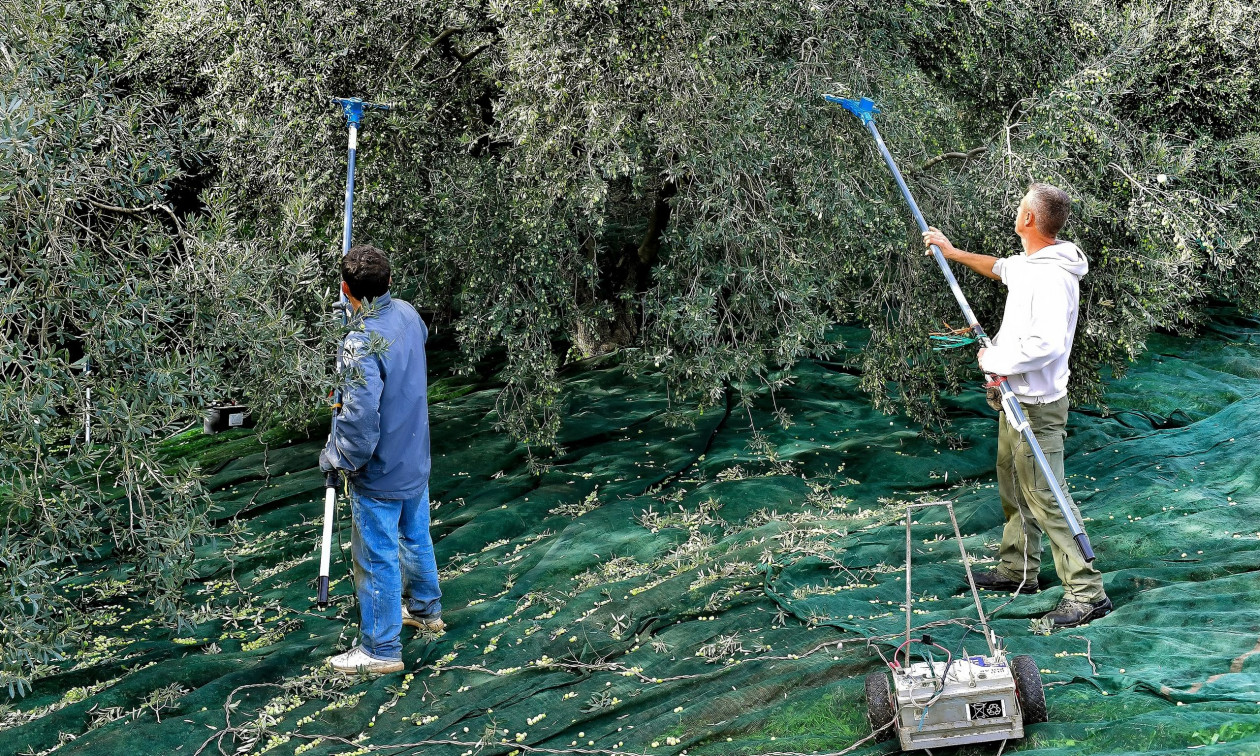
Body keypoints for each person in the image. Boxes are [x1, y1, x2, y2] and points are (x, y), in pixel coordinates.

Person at [923, 183, 1112, 629]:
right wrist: (952, 252)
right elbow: (1002, 269)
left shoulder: (1052, 277)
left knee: (1046, 496)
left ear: (1029, 219)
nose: (1016, 210)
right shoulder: (1034, 263)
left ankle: (1088, 593)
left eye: (1020, 207)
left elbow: (1046, 345)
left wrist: (995, 360)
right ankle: (1020, 569)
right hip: (1014, 401)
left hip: (1037, 407)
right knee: (1012, 482)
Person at [319, 244, 444, 675]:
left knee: (376, 557)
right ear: (390, 283)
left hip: (382, 467)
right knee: (416, 535)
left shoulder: (358, 343)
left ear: (344, 289)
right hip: (415, 454)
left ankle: (380, 649)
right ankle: (427, 612)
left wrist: (338, 457)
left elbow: (358, 420)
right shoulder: (409, 314)